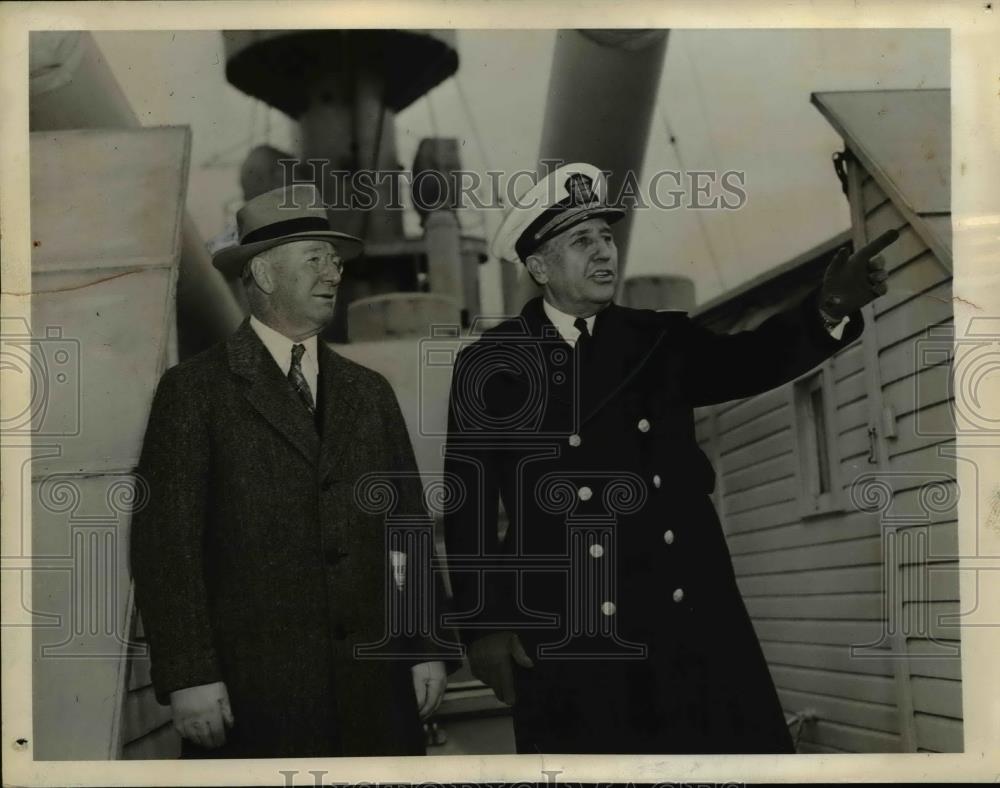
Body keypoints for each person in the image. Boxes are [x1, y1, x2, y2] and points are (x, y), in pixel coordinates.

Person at [442, 162, 896, 754]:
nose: (604, 252)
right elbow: (468, 507)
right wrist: (486, 627)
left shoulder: (657, 339)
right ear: (538, 267)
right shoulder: (492, 364)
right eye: (581, 241)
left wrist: (827, 307)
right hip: (575, 630)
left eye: (607, 236)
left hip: (689, 613)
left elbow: (751, 359)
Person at [130, 183, 458, 758]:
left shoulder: (369, 392)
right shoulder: (193, 392)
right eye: (315, 258)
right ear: (261, 273)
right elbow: (167, 548)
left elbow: (405, 529)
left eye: (334, 261)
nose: (333, 273)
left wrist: (426, 645)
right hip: (254, 703)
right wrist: (188, 676)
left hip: (375, 696)